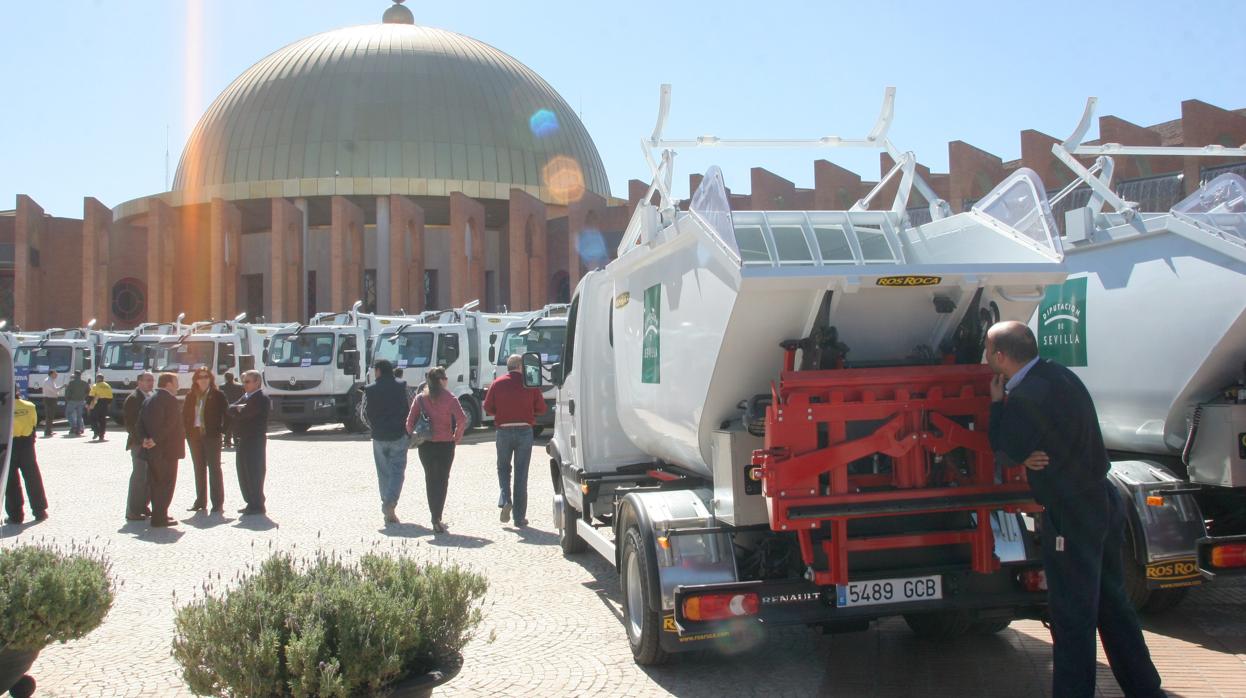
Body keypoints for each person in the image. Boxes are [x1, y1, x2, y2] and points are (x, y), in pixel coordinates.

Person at [985, 321, 1162, 698]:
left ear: (1000, 357)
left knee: (1072, 613)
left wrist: (997, 406)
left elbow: (1005, 449)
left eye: (988, 351)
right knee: (1112, 604)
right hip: (1103, 499)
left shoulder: (1027, 395)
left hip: (1070, 511)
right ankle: (1145, 689)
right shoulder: (1060, 375)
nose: (986, 358)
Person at [482, 354, 548, 527]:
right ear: (520, 366)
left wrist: (501, 412)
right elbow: (541, 408)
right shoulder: (529, 383)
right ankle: (519, 518)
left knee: (503, 468)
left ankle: (505, 499)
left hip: (503, 430)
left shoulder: (498, 383)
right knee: (521, 474)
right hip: (525, 430)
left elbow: (487, 407)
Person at [405, 366, 466, 533]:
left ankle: (434, 515)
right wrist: (456, 437)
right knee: (442, 479)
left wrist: (415, 437)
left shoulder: (420, 399)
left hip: (426, 445)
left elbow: (409, 423)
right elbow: (462, 419)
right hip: (446, 444)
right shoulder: (450, 398)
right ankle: (437, 516)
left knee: (430, 479)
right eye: (445, 378)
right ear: (441, 380)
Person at [364, 359, 411, 524]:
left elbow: (363, 413)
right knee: (398, 471)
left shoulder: (369, 390)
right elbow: (410, 407)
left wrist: (374, 426)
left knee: (383, 473)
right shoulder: (402, 386)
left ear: (378, 371)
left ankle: (386, 502)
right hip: (399, 434)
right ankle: (390, 503)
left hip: (378, 436)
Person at [138, 373, 185, 528]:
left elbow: (140, 422)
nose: (178, 386)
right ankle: (160, 517)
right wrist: (155, 439)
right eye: (176, 382)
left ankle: (160, 514)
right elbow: (170, 424)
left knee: (155, 483)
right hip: (167, 450)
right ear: (168, 384)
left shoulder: (149, 398)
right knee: (166, 484)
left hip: (151, 449)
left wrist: (145, 438)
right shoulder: (169, 400)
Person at [183, 368, 227, 514]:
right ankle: (200, 501)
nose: (203, 379)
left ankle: (217, 503)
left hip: (211, 436)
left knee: (214, 468)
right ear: (195, 379)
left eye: (206, 377)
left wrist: (223, 431)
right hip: (194, 436)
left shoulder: (217, 395)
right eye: (200, 377)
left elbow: (226, 414)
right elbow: (184, 415)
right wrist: (186, 432)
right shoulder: (190, 396)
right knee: (198, 468)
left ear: (211, 379)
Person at [228, 369, 270, 516]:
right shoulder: (246, 396)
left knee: (254, 471)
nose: (244, 385)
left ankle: (257, 504)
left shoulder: (261, 397)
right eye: (243, 382)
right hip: (242, 439)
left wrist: (238, 411)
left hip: (254, 440)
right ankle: (250, 501)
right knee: (243, 471)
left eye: (247, 382)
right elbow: (229, 409)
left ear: (257, 382)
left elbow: (246, 414)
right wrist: (236, 410)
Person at [4, 394, 48, 524]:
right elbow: (34, 423)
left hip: (9, 444)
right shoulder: (30, 406)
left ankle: (16, 515)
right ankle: (40, 511)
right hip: (26, 444)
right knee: (33, 477)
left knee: (11, 481)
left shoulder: (4, 407)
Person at [123, 372, 155, 521]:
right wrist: (142, 440)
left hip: (151, 443)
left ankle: (143, 506)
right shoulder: (133, 399)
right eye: (147, 380)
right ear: (139, 382)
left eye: (152, 380)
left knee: (149, 477)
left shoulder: (151, 396)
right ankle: (133, 510)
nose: (151, 383)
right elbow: (131, 424)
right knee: (139, 476)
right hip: (138, 443)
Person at [220, 372, 244, 449]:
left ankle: (227, 441)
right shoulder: (240, 386)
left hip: (226, 407)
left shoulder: (222, 387)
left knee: (227, 425)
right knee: (236, 425)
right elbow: (242, 396)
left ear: (225, 378)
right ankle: (236, 441)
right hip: (237, 407)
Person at [87, 373, 114, 441]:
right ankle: (102, 435)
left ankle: (96, 431)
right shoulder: (108, 386)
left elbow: (91, 395)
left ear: (98, 379)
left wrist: (88, 404)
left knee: (92, 418)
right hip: (105, 404)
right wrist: (108, 404)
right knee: (102, 420)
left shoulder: (95, 385)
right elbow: (111, 397)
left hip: (97, 403)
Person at [63, 370, 90, 436]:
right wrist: (84, 396)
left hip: (72, 401)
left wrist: (67, 399)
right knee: (79, 416)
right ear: (80, 375)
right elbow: (89, 391)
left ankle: (74, 426)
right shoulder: (85, 383)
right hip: (81, 401)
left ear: (75, 375)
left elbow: (67, 392)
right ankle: (79, 429)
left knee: (68, 413)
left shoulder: (71, 383)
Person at [40, 369, 60, 437]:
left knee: (51, 416)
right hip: (49, 399)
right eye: (55, 373)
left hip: (52, 399)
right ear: (51, 374)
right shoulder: (48, 381)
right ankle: (47, 431)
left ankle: (49, 430)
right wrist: (62, 387)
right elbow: (54, 390)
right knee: (49, 416)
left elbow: (54, 389)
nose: (57, 375)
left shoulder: (51, 380)